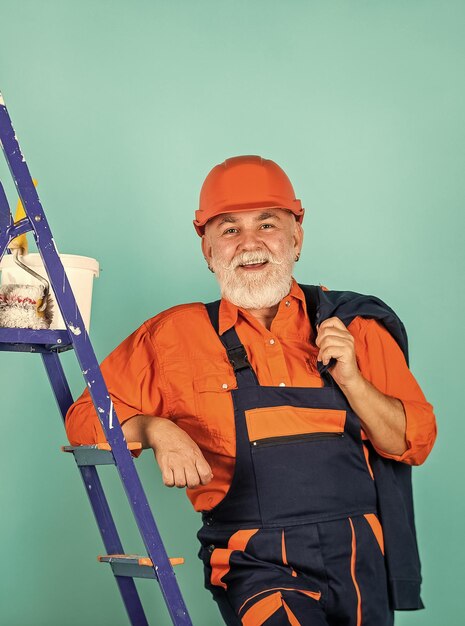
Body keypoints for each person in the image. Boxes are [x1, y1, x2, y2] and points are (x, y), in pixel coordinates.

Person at [66, 155, 436, 626]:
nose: (250, 243)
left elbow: (413, 442)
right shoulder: (173, 336)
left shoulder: (356, 326)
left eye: (267, 224)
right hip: (251, 558)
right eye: (229, 229)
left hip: (360, 556)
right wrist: (153, 427)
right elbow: (83, 421)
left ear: (296, 237)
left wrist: (353, 381)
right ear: (207, 250)